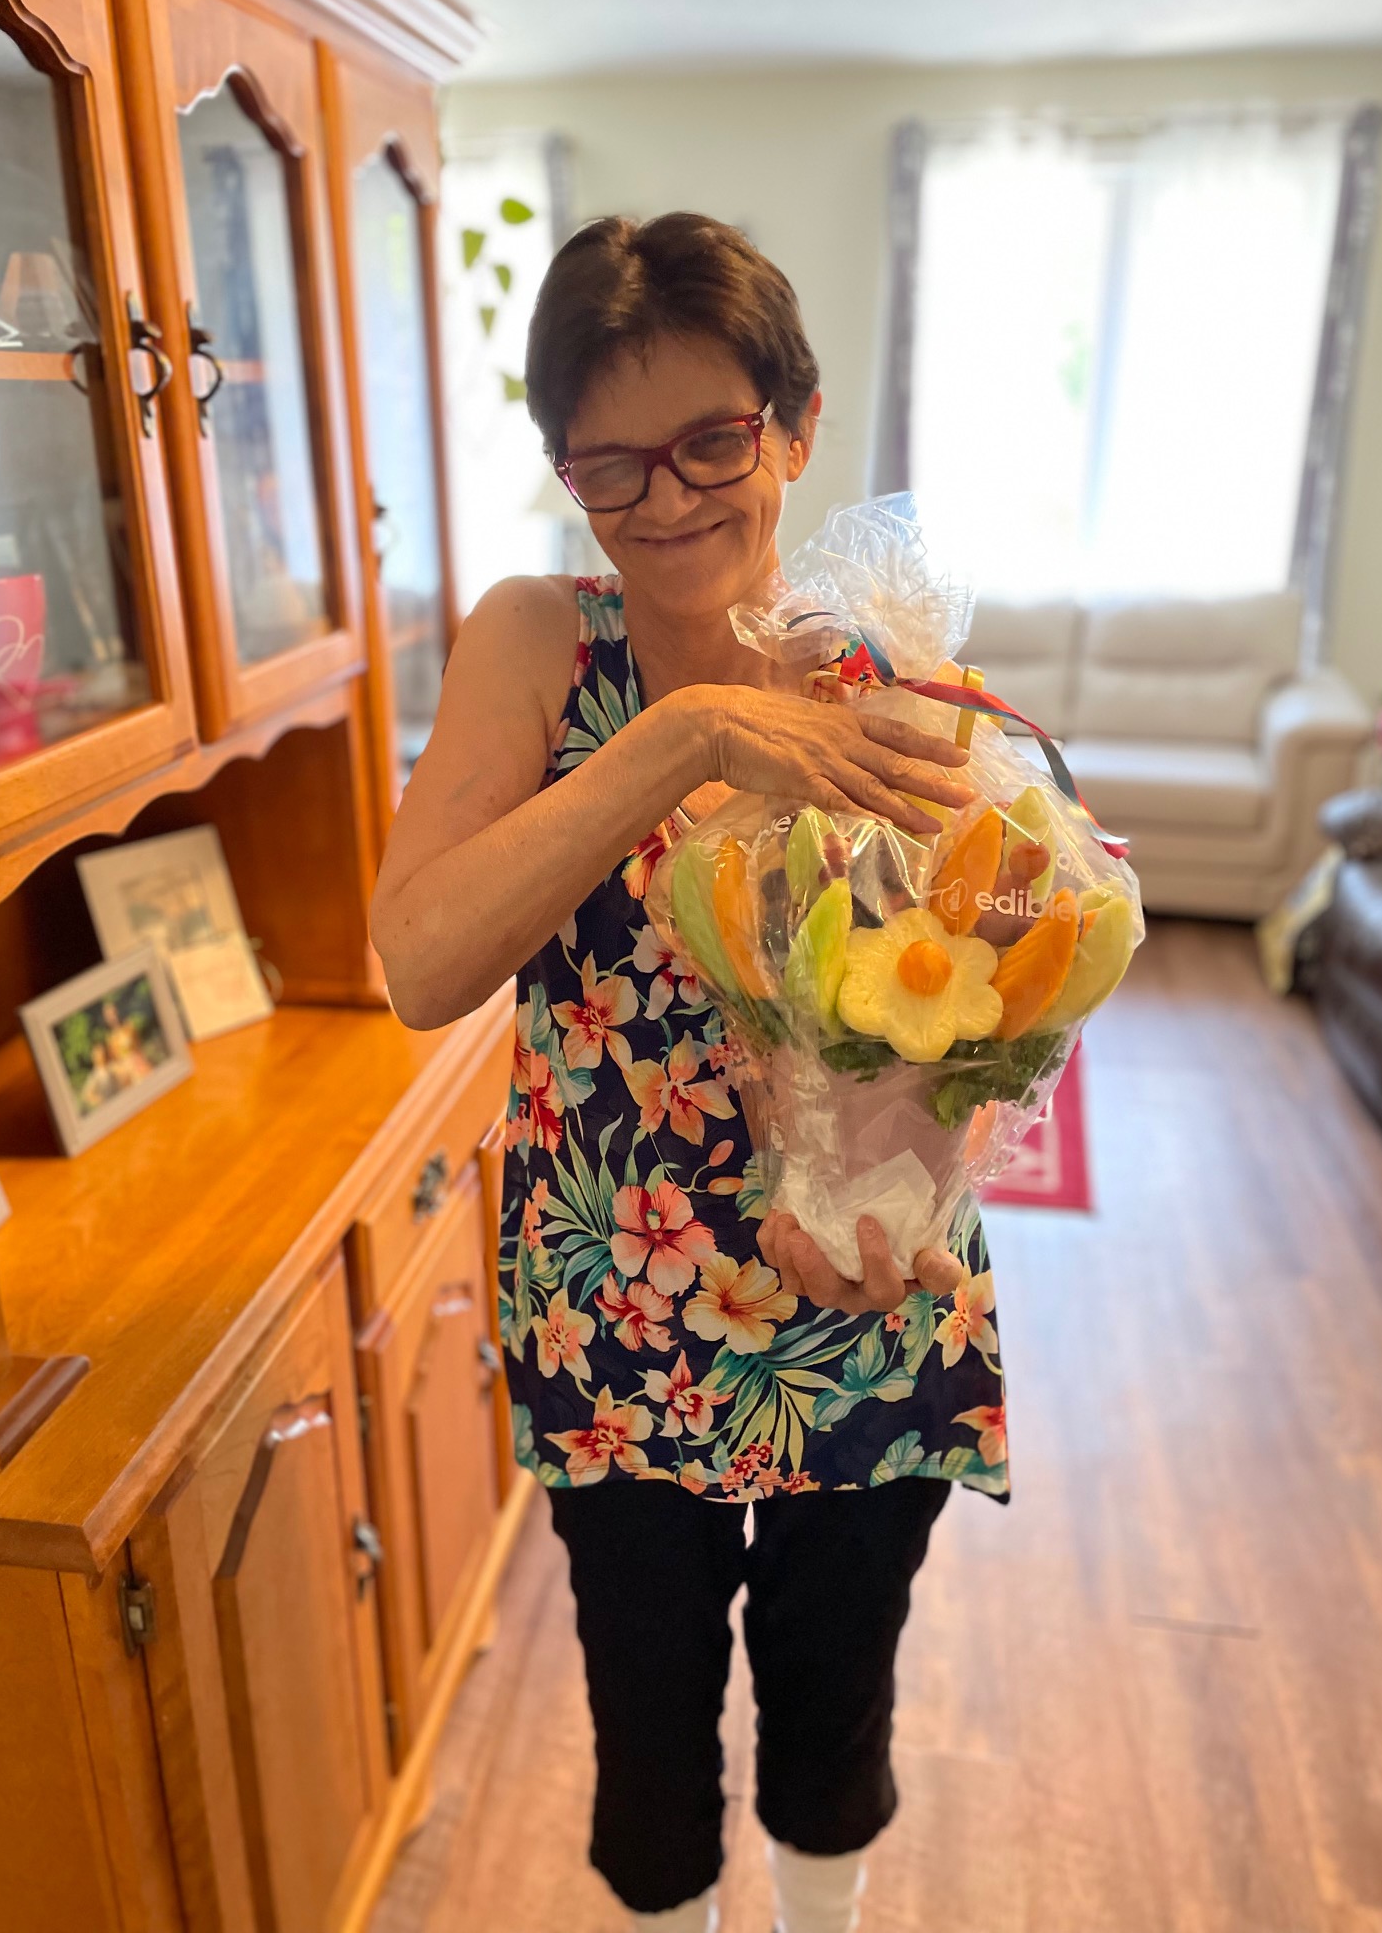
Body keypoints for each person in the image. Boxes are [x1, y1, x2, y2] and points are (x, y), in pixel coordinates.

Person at [370, 212, 1008, 1933]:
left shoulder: (887, 653)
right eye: (608, 463)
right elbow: (420, 961)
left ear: (793, 425)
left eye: (713, 441)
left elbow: (992, 975)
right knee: (644, 1726)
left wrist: (901, 1193)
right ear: (563, 470)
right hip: (616, 1293)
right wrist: (679, 738)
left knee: (835, 1700)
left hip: (870, 1282)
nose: (665, 500)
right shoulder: (534, 642)